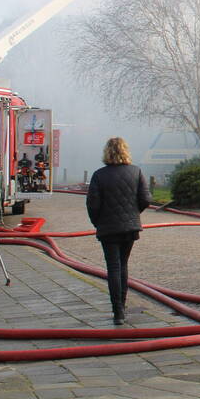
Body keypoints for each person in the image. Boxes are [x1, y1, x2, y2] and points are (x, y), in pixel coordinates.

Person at [85, 137, 151, 325]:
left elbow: (92, 204)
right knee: (123, 265)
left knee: (113, 267)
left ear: (107, 152)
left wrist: (98, 222)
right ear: (125, 151)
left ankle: (118, 311)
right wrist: (133, 214)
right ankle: (122, 304)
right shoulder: (136, 172)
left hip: (108, 229)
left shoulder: (99, 175)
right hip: (129, 228)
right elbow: (146, 199)